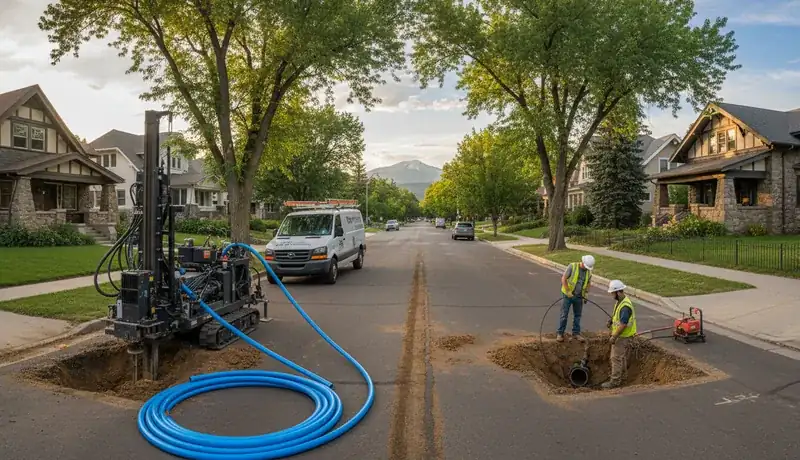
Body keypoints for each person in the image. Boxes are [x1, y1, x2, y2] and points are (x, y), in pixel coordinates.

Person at [602, 279, 637, 389]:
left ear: (618, 292)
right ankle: (623, 376)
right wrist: (611, 321)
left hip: (623, 336)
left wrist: (614, 336)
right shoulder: (620, 302)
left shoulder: (625, 307)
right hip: (622, 335)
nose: (612, 295)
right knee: (621, 357)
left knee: (616, 358)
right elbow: (617, 317)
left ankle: (615, 381)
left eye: (613, 293)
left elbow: (623, 324)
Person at [557, 255, 595, 342]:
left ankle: (576, 333)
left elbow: (588, 283)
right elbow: (564, 279)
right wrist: (568, 291)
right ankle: (560, 333)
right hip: (568, 295)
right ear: (582, 262)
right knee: (564, 314)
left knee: (577, 315)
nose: (586, 269)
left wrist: (586, 294)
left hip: (579, 296)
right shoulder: (572, 266)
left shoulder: (588, 271)